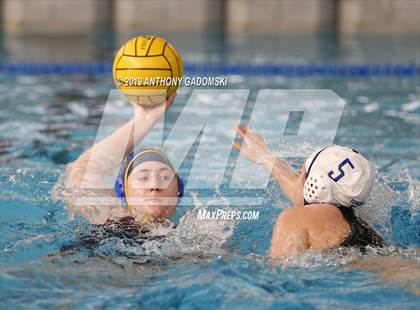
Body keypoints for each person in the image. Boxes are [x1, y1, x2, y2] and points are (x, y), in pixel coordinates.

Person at [233, 125, 385, 259]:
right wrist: (265, 157)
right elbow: (298, 190)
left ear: (315, 186)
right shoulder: (364, 226)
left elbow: (275, 273)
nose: (297, 178)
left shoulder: (295, 219)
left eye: (301, 173)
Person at [53, 93, 183, 226]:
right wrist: (144, 121)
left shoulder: (194, 230)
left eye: (165, 178)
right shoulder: (107, 217)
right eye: (143, 178)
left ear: (179, 191)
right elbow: (84, 170)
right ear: (123, 190)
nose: (154, 186)